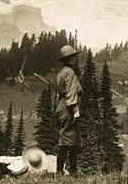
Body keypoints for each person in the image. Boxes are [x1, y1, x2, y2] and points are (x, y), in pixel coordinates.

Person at [55, 45, 82, 178]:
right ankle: (62, 172)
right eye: (74, 57)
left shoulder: (61, 72)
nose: (76, 59)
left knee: (72, 141)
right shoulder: (69, 73)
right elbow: (71, 93)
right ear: (71, 58)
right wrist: (75, 110)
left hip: (61, 108)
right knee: (67, 141)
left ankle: (72, 172)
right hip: (68, 109)